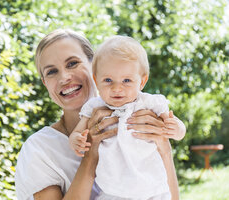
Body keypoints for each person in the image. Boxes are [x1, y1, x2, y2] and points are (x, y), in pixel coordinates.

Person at [15, 29, 186, 200]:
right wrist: (90, 155)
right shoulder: (39, 149)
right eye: (51, 72)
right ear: (45, 83)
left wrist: (164, 147)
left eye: (72, 63)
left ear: (93, 65)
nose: (64, 77)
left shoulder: (141, 112)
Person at [68, 35, 185, 200]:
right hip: (112, 192)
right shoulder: (94, 107)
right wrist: (76, 140)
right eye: (108, 80)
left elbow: (176, 128)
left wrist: (177, 129)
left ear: (142, 82)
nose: (117, 88)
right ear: (96, 80)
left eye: (127, 80)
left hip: (153, 189)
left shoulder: (149, 103)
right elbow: (77, 132)